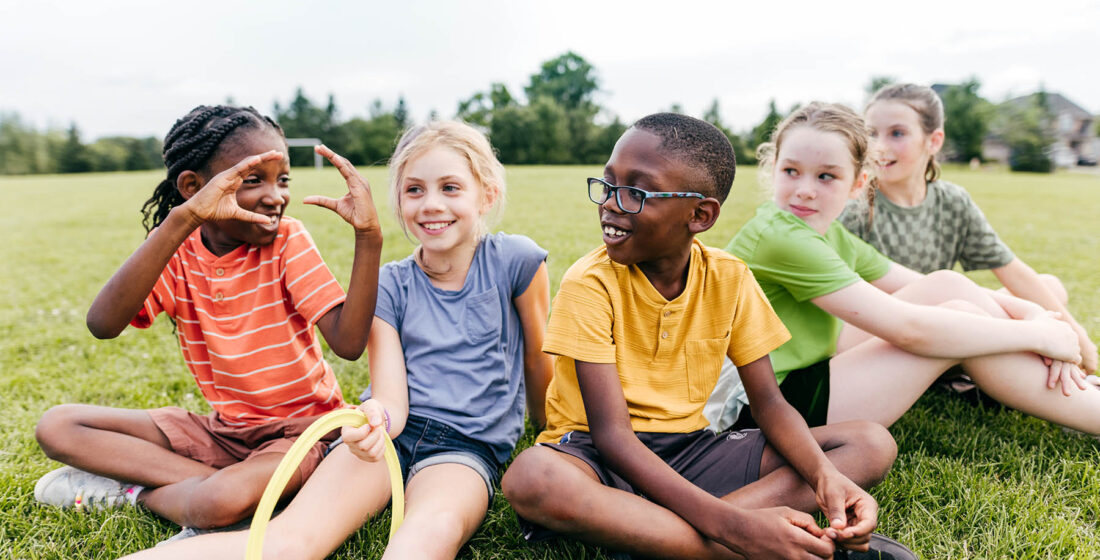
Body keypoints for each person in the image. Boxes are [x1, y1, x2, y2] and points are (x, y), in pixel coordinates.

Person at [122, 120, 553, 560]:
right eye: (415, 190)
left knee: (429, 533)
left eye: (451, 188)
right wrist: (376, 420)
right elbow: (389, 396)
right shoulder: (389, 285)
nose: (431, 205)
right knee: (288, 543)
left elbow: (540, 363)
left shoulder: (516, 261)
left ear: (487, 195)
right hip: (382, 438)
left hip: (465, 449)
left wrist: (546, 435)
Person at [503, 113, 905, 560]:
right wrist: (734, 526)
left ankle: (657, 539)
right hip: (596, 455)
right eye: (609, 183)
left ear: (700, 215)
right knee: (534, 476)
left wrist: (824, 476)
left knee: (869, 444)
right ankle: (735, 544)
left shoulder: (730, 278)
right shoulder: (590, 282)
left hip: (692, 448)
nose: (613, 204)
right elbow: (613, 436)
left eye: (637, 192)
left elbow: (769, 404)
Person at [33, 105, 383, 535]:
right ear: (193, 186)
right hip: (222, 433)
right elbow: (103, 324)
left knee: (216, 503)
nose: (276, 196)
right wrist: (183, 219)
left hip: (299, 434)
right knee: (58, 425)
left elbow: (348, 345)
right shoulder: (177, 251)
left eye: (282, 179)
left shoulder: (288, 241)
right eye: (254, 180)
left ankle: (137, 493)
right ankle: (213, 491)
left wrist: (368, 237)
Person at [723, 101, 1100, 434]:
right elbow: (909, 330)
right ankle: (1084, 406)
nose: (805, 189)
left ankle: (1073, 397)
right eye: (791, 171)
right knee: (957, 318)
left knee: (949, 289)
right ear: (773, 169)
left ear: (858, 184)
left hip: (798, 373)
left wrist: (1034, 313)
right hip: (761, 406)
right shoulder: (779, 236)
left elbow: (936, 285)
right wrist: (1037, 336)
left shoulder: (829, 233)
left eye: (826, 176)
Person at [840, 83, 1097, 376]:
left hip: (951, 318)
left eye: (897, 133)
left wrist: (1079, 337)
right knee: (972, 310)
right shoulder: (853, 207)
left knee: (1048, 286)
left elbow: (1012, 270)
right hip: (890, 333)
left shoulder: (952, 201)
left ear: (933, 141)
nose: (879, 146)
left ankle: (1031, 351)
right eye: (871, 133)